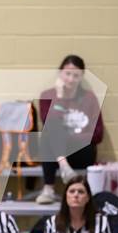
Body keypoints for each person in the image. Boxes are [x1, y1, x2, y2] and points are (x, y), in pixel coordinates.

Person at [37, 55, 104, 204]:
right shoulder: (47, 96)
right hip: (56, 155)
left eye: (76, 75)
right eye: (67, 74)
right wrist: (60, 97)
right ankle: (57, 176)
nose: (71, 79)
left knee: (51, 137)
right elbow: (48, 124)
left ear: (81, 77)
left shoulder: (89, 97)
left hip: (81, 153)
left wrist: (67, 138)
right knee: (49, 132)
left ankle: (49, 187)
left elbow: (98, 134)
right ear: (60, 73)